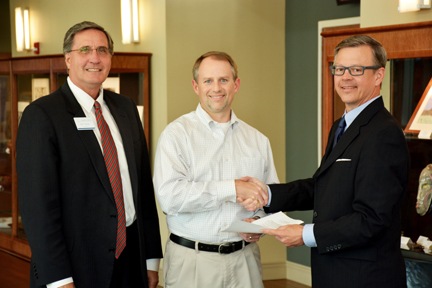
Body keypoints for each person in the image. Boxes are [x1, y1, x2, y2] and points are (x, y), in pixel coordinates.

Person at [243, 35, 410, 288]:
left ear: (378, 76)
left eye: (356, 69)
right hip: (335, 271)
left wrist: (306, 235)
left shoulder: (383, 133)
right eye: (339, 69)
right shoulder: (342, 126)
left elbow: (372, 219)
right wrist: (267, 194)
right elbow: (325, 186)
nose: (345, 77)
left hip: (363, 278)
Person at [16, 21, 162, 288]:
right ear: (68, 59)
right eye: (85, 49)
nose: (95, 58)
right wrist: (58, 279)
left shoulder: (126, 108)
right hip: (75, 265)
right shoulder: (43, 115)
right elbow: (38, 209)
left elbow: (142, 190)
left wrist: (151, 258)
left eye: (103, 50)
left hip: (131, 260)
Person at [153, 51, 279, 288]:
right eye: (208, 81)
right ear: (195, 86)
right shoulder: (176, 135)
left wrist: (258, 223)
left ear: (236, 84)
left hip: (245, 259)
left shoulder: (258, 140)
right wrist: (232, 188)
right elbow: (170, 199)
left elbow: (271, 197)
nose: (216, 88)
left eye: (224, 80)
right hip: (192, 262)